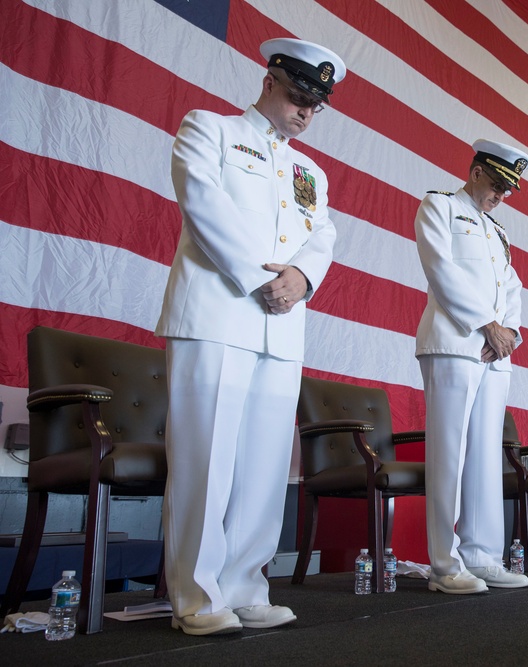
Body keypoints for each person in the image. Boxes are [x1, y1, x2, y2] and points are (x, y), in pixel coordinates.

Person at [156, 38, 345, 634]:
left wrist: (301, 278)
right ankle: (197, 596)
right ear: (269, 82)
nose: (305, 112)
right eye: (297, 98)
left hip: (282, 325)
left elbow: (322, 237)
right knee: (205, 459)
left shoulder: (310, 170)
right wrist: (257, 276)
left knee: (264, 467)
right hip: (217, 313)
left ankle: (244, 584)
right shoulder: (208, 127)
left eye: (316, 105)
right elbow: (202, 201)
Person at [415, 139, 528, 594]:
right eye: (498, 184)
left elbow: (513, 287)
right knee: (449, 451)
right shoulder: (440, 205)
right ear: (477, 170)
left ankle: (483, 555)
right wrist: (486, 325)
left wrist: (509, 334)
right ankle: (445, 564)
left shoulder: (498, 231)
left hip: (494, 352)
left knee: (485, 453)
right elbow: (440, 269)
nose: (502, 195)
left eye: (509, 189)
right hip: (453, 342)